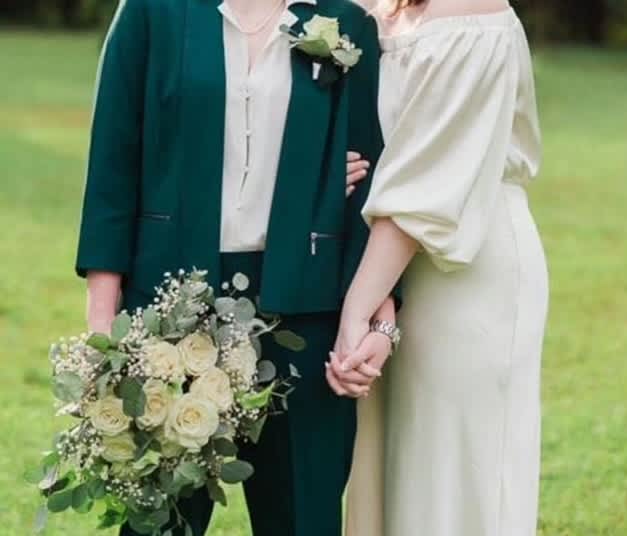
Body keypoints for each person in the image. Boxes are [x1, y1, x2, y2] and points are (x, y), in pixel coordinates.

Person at [75, 0, 394, 535]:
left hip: (305, 307)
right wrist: (103, 324)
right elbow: (113, 163)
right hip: (171, 303)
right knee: (160, 522)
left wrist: (380, 317)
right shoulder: (152, 12)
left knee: (303, 518)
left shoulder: (347, 24)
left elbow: (374, 182)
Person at [328, 1, 549, 535]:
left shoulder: (473, 13)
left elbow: (424, 186)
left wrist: (359, 308)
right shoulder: (376, 10)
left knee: (451, 481)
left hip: (463, 267)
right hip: (387, 268)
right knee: (389, 475)